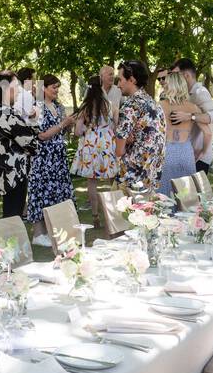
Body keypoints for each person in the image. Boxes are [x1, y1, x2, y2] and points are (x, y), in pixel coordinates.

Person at [25, 74, 77, 244]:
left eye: (57, 87)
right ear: (43, 88)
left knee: (58, 192)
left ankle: (57, 230)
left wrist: (68, 124)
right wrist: (63, 124)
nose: (56, 90)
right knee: (41, 193)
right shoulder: (37, 107)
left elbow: (59, 131)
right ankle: (38, 235)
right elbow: (41, 135)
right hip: (44, 158)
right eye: (53, 87)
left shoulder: (57, 106)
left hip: (58, 158)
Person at [0, 70, 39, 219]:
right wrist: (34, 118)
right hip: (14, 175)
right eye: (16, 86)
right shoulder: (7, 114)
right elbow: (32, 144)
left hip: (5, 173)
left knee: (10, 217)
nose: (19, 91)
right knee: (13, 219)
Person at [114, 60, 166, 191]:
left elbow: (119, 151)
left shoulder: (130, 105)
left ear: (131, 80)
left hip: (131, 179)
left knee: (117, 211)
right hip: (151, 177)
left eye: (119, 80)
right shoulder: (153, 104)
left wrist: (125, 141)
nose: (118, 85)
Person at [71, 75, 117, 215]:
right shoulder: (109, 104)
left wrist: (87, 129)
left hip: (91, 143)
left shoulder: (85, 107)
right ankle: (115, 211)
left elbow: (78, 131)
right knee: (112, 178)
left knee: (91, 181)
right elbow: (115, 125)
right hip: (107, 142)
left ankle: (95, 214)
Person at [170, 58, 213, 173]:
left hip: (199, 157)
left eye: (177, 76)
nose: (174, 80)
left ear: (186, 75)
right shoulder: (185, 94)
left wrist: (190, 116)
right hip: (189, 154)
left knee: (195, 191)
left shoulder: (200, 93)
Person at [157, 70, 196, 198]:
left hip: (167, 152)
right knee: (187, 194)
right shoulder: (193, 108)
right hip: (186, 152)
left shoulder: (159, 106)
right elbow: (207, 132)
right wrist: (202, 150)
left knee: (166, 192)